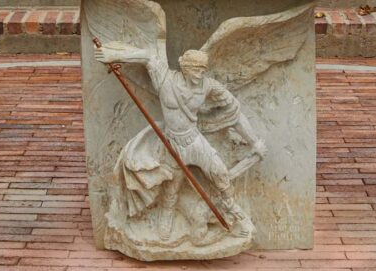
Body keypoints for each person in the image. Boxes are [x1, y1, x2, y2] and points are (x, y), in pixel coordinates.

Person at [95, 42, 266, 242]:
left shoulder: (209, 86)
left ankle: (237, 216)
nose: (200, 73)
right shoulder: (165, 79)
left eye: (203, 69)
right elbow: (147, 56)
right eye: (195, 69)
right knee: (173, 186)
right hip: (171, 141)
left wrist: (254, 142)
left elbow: (234, 112)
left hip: (194, 139)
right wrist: (113, 55)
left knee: (220, 174)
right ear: (185, 67)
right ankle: (166, 216)